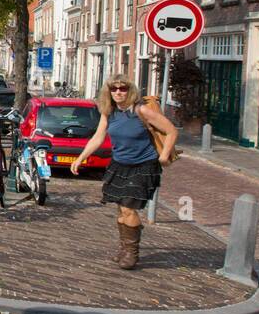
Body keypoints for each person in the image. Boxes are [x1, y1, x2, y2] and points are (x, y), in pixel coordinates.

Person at [69, 76, 178, 269]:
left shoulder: (140, 110)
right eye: (114, 89)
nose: (118, 92)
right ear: (108, 92)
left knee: (128, 208)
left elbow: (171, 131)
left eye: (123, 88)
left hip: (143, 165)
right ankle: (124, 248)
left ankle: (132, 253)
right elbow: (98, 137)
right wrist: (80, 157)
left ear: (130, 90)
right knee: (121, 209)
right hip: (119, 165)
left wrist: (164, 156)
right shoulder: (108, 113)